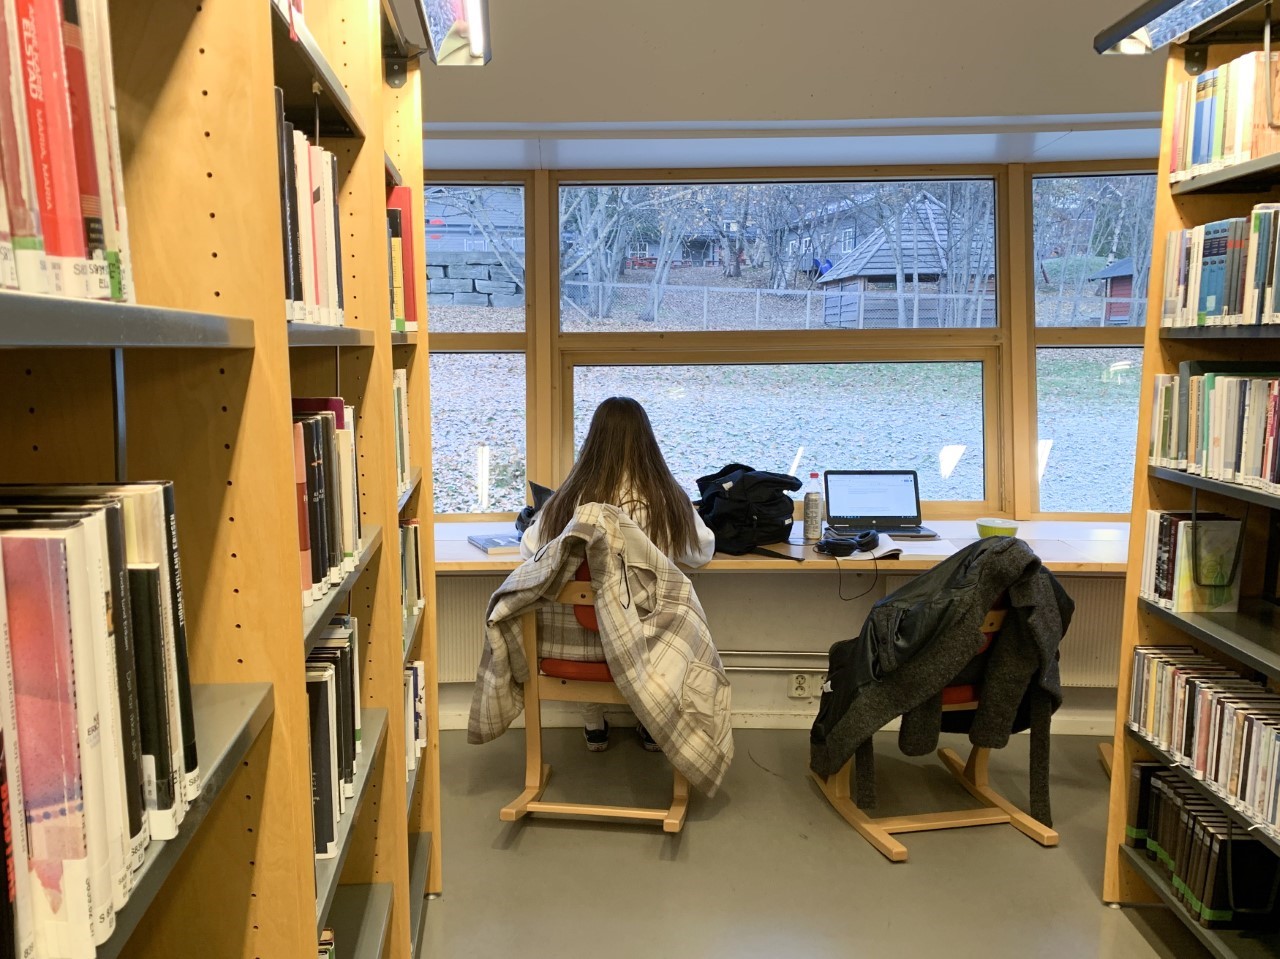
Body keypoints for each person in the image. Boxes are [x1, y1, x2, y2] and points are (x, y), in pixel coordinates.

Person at [519, 396, 716, 752]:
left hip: (577, 648)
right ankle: (652, 726)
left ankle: (594, 724)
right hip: (649, 646)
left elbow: (530, 549)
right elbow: (702, 553)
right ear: (648, 443)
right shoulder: (667, 499)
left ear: (592, 442)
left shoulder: (570, 498)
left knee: (588, 622)